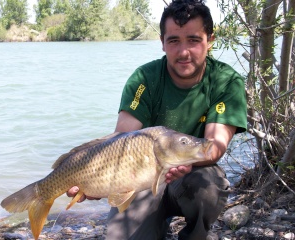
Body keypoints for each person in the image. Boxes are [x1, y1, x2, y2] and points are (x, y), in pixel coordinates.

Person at [67, 0, 247, 239]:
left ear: (209, 40)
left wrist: (186, 164)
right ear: (162, 42)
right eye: (174, 41)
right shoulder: (144, 78)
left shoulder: (226, 81)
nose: (183, 52)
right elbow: (120, 142)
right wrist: (99, 183)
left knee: (209, 188)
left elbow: (214, 145)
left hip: (190, 176)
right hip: (141, 177)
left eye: (193, 40)